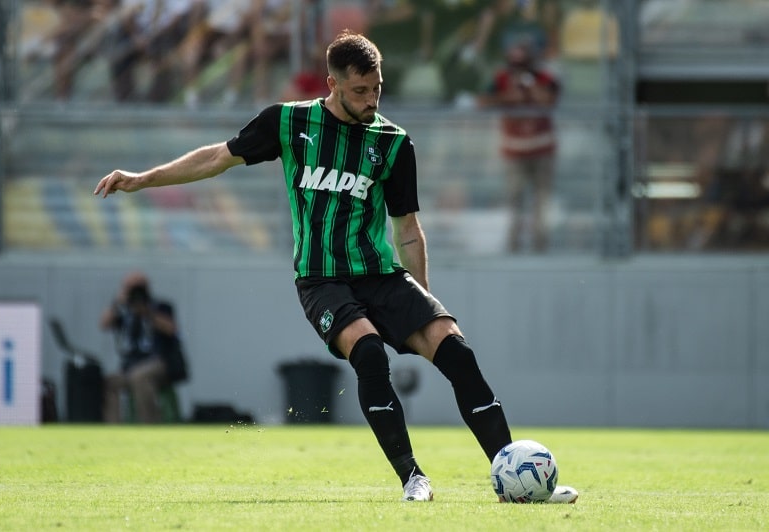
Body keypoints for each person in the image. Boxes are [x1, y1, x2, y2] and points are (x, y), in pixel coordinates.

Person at [93, 30, 577, 503]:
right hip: (321, 280)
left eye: (378, 89)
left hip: (382, 276)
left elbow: (407, 228)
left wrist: (423, 305)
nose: (372, 100)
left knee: (456, 351)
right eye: (361, 91)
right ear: (334, 84)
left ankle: (513, 474)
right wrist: (141, 179)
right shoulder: (287, 123)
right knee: (368, 352)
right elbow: (216, 159)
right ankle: (412, 477)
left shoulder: (392, 142)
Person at [477, 39, 560, 253]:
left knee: (541, 202)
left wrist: (531, 87)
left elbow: (550, 99)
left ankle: (540, 246)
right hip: (515, 150)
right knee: (515, 201)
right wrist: (507, 97)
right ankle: (514, 245)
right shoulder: (502, 78)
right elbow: (483, 101)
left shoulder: (543, 78)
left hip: (542, 149)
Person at [99, 272, 186, 422]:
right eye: (131, 288)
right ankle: (113, 427)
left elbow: (172, 329)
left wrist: (148, 312)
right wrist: (117, 303)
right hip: (130, 365)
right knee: (109, 382)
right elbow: (104, 324)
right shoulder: (124, 311)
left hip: (158, 363)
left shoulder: (161, 306)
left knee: (139, 377)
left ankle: (149, 425)